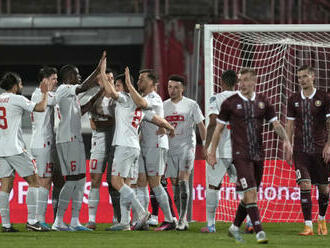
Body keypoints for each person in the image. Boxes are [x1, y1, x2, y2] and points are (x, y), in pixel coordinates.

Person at [207, 68, 292, 244]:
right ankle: (259, 231)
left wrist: (286, 141)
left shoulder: (263, 102)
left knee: (250, 195)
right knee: (250, 191)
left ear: (254, 81)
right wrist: (212, 151)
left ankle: (234, 227)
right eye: (241, 80)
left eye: (246, 80)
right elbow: (218, 129)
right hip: (239, 154)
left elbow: (275, 124)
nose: (243, 83)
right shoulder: (230, 103)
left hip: (258, 154)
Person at [100, 63, 175, 231]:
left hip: (144, 145)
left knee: (120, 181)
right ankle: (126, 222)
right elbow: (154, 118)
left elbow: (115, 93)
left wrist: (103, 73)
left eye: (143, 79)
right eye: (138, 79)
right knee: (135, 183)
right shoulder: (136, 102)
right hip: (138, 146)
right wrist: (169, 127)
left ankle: (150, 215)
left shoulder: (139, 99)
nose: (116, 89)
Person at [52, 52, 105, 231]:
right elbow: (83, 87)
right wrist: (97, 70)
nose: (79, 76)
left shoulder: (70, 94)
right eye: (76, 73)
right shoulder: (63, 89)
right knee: (73, 178)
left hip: (74, 139)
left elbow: (81, 110)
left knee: (81, 179)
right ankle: (58, 221)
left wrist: (100, 94)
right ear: (68, 76)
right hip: (67, 140)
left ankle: (75, 220)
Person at [0, 72, 49, 232]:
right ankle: (32, 221)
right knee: (34, 181)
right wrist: (45, 92)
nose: (21, 87)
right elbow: (41, 108)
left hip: (1, 149)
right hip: (15, 148)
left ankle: (6, 225)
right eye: (20, 84)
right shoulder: (17, 99)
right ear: (14, 86)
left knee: (5, 185)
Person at [286, 65, 330, 236]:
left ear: (313, 77)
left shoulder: (323, 97)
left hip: (320, 150)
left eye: (305, 76)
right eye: (299, 77)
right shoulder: (293, 99)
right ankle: (308, 226)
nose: (302, 80)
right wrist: (288, 144)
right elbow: (289, 124)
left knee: (324, 189)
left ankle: (321, 218)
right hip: (300, 150)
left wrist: (328, 145)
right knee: (304, 184)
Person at [163, 74, 206, 231]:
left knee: (183, 180)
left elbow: (201, 125)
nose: (172, 90)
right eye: (169, 87)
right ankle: (180, 216)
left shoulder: (191, 105)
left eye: (175, 87)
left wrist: (206, 145)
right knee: (174, 184)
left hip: (186, 147)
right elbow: (159, 126)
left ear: (182, 88)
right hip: (169, 148)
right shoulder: (164, 106)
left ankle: (183, 219)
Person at [135, 69, 176, 231]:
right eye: (138, 79)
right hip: (145, 145)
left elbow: (142, 107)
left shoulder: (155, 99)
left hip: (157, 144)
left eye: (142, 79)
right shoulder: (144, 98)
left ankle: (169, 220)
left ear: (152, 83)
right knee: (141, 182)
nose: (139, 81)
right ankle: (143, 218)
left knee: (155, 183)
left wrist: (166, 126)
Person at [201, 70, 240, 233]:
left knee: (213, 186)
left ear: (222, 82)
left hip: (220, 149)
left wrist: (206, 145)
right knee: (245, 187)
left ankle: (211, 225)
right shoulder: (245, 98)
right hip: (240, 150)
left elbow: (211, 122)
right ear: (236, 83)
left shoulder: (216, 98)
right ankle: (252, 223)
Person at [30, 67, 62, 230]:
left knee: (48, 180)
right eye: (54, 78)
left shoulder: (38, 94)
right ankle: (39, 220)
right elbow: (61, 99)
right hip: (43, 143)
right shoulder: (42, 95)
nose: (56, 81)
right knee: (44, 181)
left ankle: (38, 219)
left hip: (39, 142)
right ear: (45, 80)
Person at [85, 70, 117, 230]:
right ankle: (91, 220)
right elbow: (93, 124)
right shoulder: (94, 98)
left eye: (111, 78)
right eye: (106, 78)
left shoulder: (118, 98)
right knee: (95, 180)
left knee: (115, 182)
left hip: (115, 145)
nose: (109, 81)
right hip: (98, 144)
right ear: (99, 81)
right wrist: (110, 121)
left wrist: (105, 121)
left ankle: (117, 218)